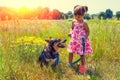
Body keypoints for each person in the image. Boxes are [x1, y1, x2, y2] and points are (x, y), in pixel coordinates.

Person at [67, 5, 93, 73]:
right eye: (75, 16)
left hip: (82, 41)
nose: (77, 17)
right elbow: (72, 28)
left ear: (83, 15)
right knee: (70, 52)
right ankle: (70, 64)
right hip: (74, 41)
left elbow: (88, 31)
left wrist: (85, 37)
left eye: (79, 16)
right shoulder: (73, 22)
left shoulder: (84, 23)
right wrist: (70, 33)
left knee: (82, 55)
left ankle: (82, 68)